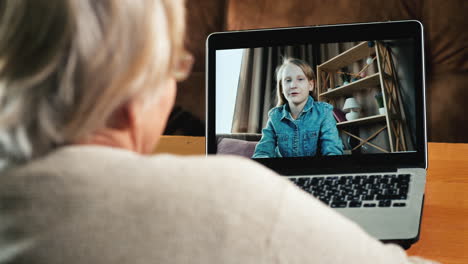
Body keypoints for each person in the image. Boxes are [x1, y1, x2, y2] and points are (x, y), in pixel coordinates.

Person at [0, 1, 437, 263]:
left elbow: (331, 150)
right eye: (174, 66)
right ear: (135, 90)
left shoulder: (323, 114)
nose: (292, 87)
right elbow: (263, 156)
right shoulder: (243, 178)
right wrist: (269, 185)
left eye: (299, 80)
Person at [253, 58, 343, 158]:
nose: (293, 85)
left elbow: (333, 151)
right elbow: (262, 152)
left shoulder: (324, 112)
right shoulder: (274, 117)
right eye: (288, 80)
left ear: (310, 85)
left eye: (300, 79)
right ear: (282, 88)